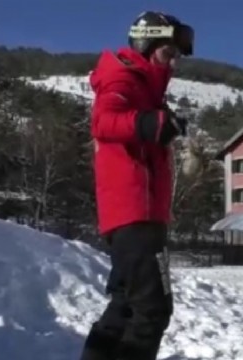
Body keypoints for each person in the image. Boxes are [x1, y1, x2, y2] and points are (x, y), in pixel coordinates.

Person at [79, 11, 194, 360]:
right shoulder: (124, 79)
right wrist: (150, 123)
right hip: (134, 213)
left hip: (137, 214)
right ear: (146, 45)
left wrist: (159, 122)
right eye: (167, 53)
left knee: (125, 306)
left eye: (176, 56)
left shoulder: (144, 89)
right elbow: (104, 121)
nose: (173, 63)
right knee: (152, 309)